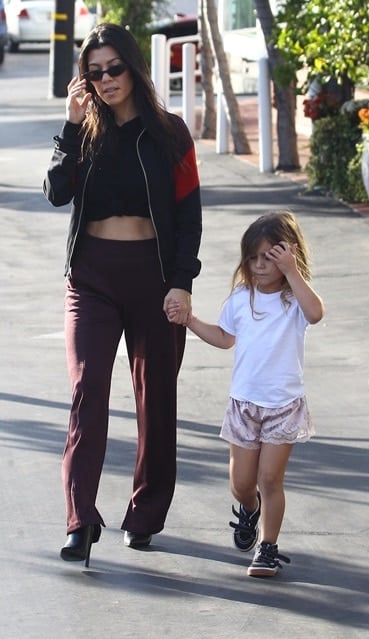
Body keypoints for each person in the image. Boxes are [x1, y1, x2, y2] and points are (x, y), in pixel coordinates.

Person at [43, 23, 202, 566]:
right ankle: (79, 519)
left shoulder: (171, 134)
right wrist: (69, 126)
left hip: (154, 276)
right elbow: (56, 193)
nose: (106, 80)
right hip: (91, 275)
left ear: (134, 68)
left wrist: (182, 280)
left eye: (114, 69)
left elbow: (188, 216)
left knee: (156, 397)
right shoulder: (84, 129)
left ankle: (145, 514)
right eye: (94, 72)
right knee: (88, 387)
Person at [169, 211, 324, 577]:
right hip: (244, 405)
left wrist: (292, 272)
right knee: (242, 484)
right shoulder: (242, 299)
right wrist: (190, 321)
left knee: (271, 479)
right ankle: (248, 510)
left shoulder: (294, 300)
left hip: (284, 406)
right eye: (252, 258)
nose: (259, 265)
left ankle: (268, 548)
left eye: (268, 257)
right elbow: (225, 338)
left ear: (288, 255)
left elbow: (316, 313)